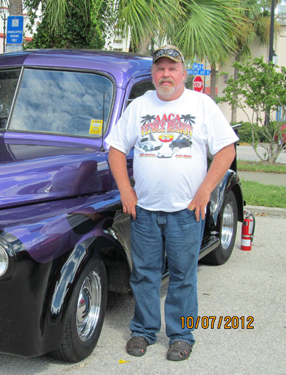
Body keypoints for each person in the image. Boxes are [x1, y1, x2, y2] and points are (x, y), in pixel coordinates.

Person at [105, 45, 238, 361]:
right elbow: (115, 149)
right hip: (145, 210)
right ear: (153, 74)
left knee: (183, 275)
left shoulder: (201, 105)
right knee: (145, 274)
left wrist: (205, 191)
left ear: (183, 73)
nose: (166, 74)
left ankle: (182, 336)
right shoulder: (139, 106)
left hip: (186, 211)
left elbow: (226, 150)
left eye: (172, 68)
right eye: (160, 68)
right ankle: (143, 331)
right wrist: (126, 191)